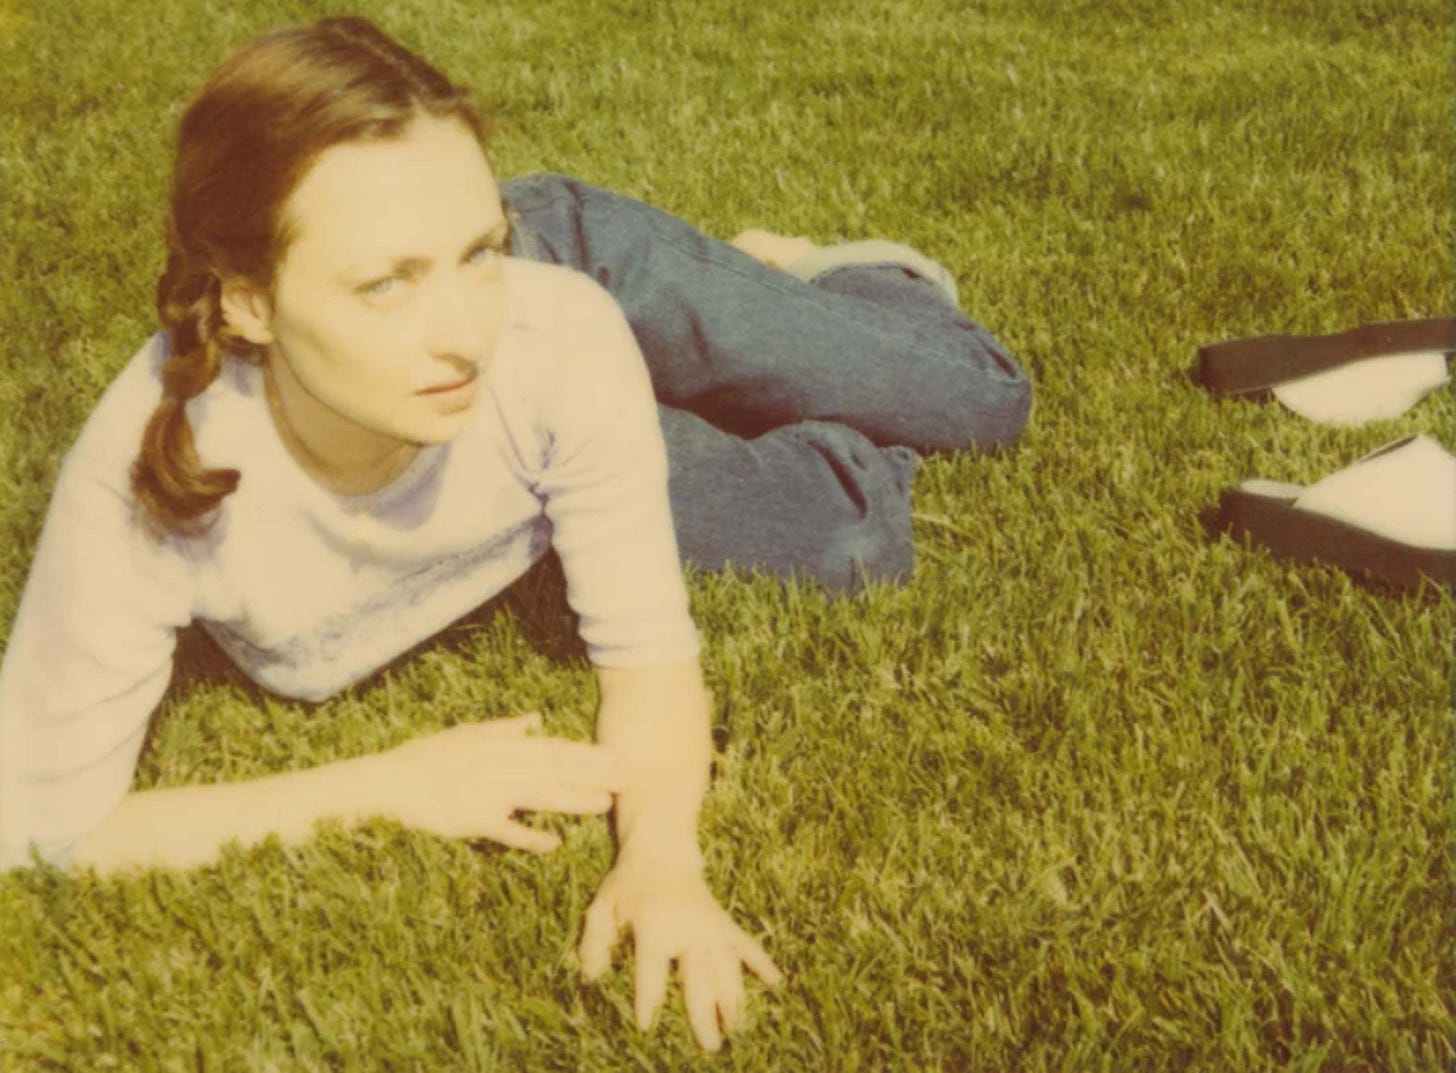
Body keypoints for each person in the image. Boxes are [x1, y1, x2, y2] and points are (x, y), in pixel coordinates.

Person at [0, 14, 1030, 1052]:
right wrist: (386, 787)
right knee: (852, 536)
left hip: (581, 279)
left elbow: (649, 657)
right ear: (249, 304)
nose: (463, 332)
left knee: (984, 400)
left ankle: (837, 285)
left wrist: (662, 859)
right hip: (541, 419)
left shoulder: (539, 329)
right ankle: (737, 359)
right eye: (384, 284)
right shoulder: (153, 472)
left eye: (477, 253)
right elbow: (35, 822)